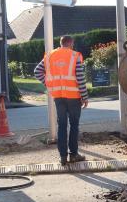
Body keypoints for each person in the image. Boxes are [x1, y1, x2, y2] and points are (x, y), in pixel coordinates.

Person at [34, 35, 89, 166]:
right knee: (74, 126)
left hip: (58, 96)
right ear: (71, 44)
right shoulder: (75, 56)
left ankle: (63, 157)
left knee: (62, 126)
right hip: (74, 97)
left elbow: (37, 71)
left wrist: (49, 85)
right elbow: (80, 78)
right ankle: (74, 155)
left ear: (61, 43)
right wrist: (85, 97)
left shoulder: (49, 55)